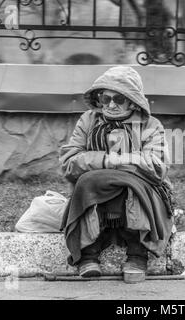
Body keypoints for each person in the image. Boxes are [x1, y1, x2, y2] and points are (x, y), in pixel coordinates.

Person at [59, 66, 174, 283]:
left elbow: (157, 167)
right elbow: (69, 162)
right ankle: (88, 254)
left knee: (131, 183)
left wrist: (118, 164)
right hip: (94, 190)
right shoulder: (88, 120)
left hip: (139, 192)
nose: (111, 104)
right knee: (88, 181)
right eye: (105, 98)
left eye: (119, 99)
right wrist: (108, 160)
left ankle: (137, 254)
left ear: (132, 101)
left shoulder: (151, 125)